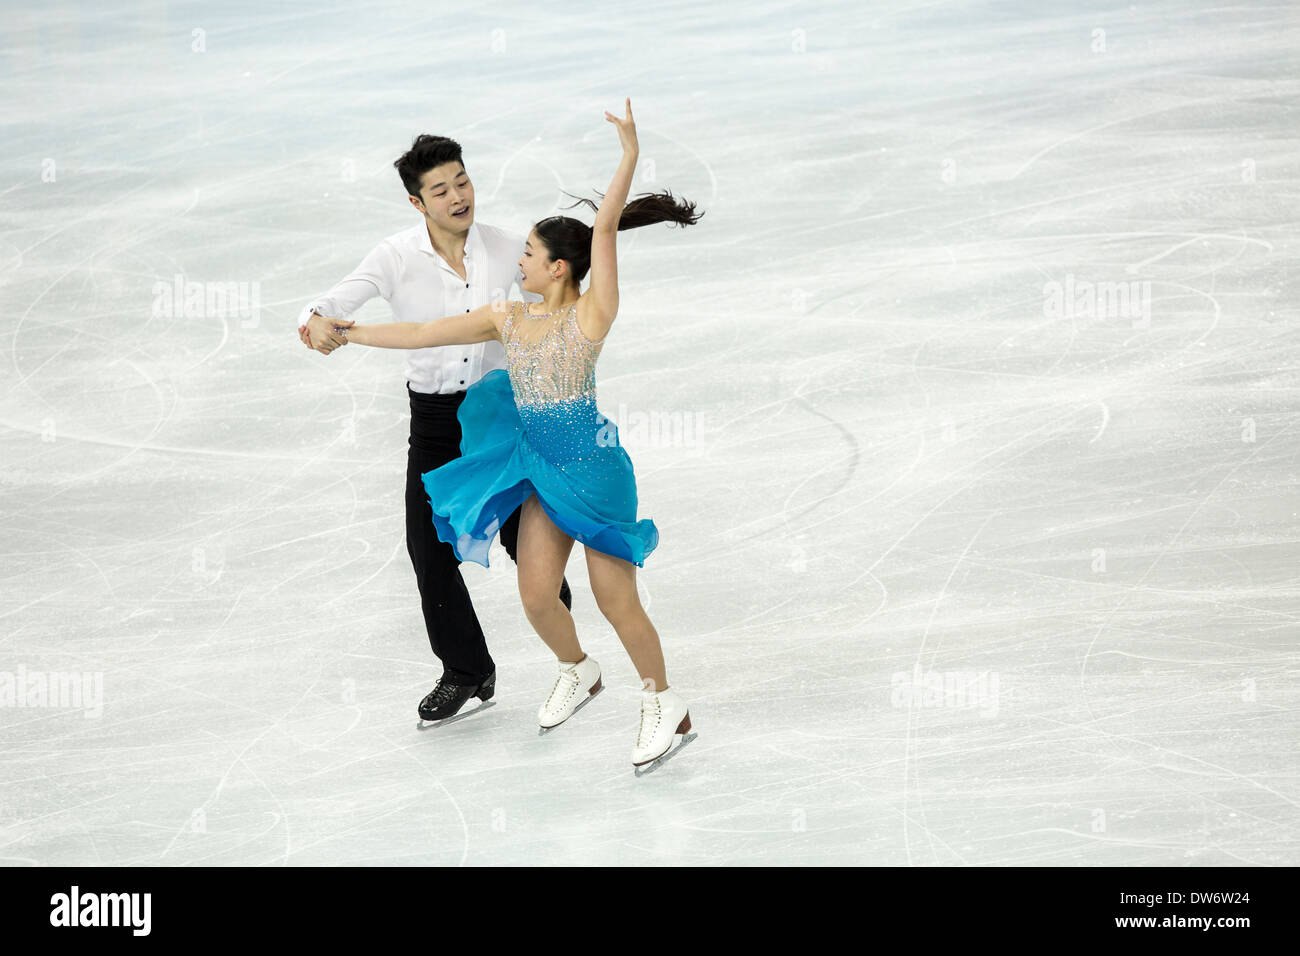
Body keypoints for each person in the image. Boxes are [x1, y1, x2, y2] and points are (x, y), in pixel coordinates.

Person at [325, 99, 703, 768]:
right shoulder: (506, 319)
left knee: (616, 601)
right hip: (538, 468)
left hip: (593, 472)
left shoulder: (591, 315)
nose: (517, 261)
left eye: (528, 254)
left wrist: (629, 157)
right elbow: (418, 333)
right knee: (535, 595)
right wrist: (349, 332)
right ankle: (578, 668)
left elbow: (607, 229)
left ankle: (663, 703)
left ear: (558, 268)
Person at [296, 134, 572, 723]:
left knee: (521, 536)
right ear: (417, 203)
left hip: (503, 412)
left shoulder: (505, 249)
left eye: (463, 181)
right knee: (428, 545)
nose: (458, 197)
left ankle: (566, 640)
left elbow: (559, 289)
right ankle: (468, 670)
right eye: (441, 189)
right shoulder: (394, 256)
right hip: (435, 419)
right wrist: (315, 320)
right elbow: (338, 297)